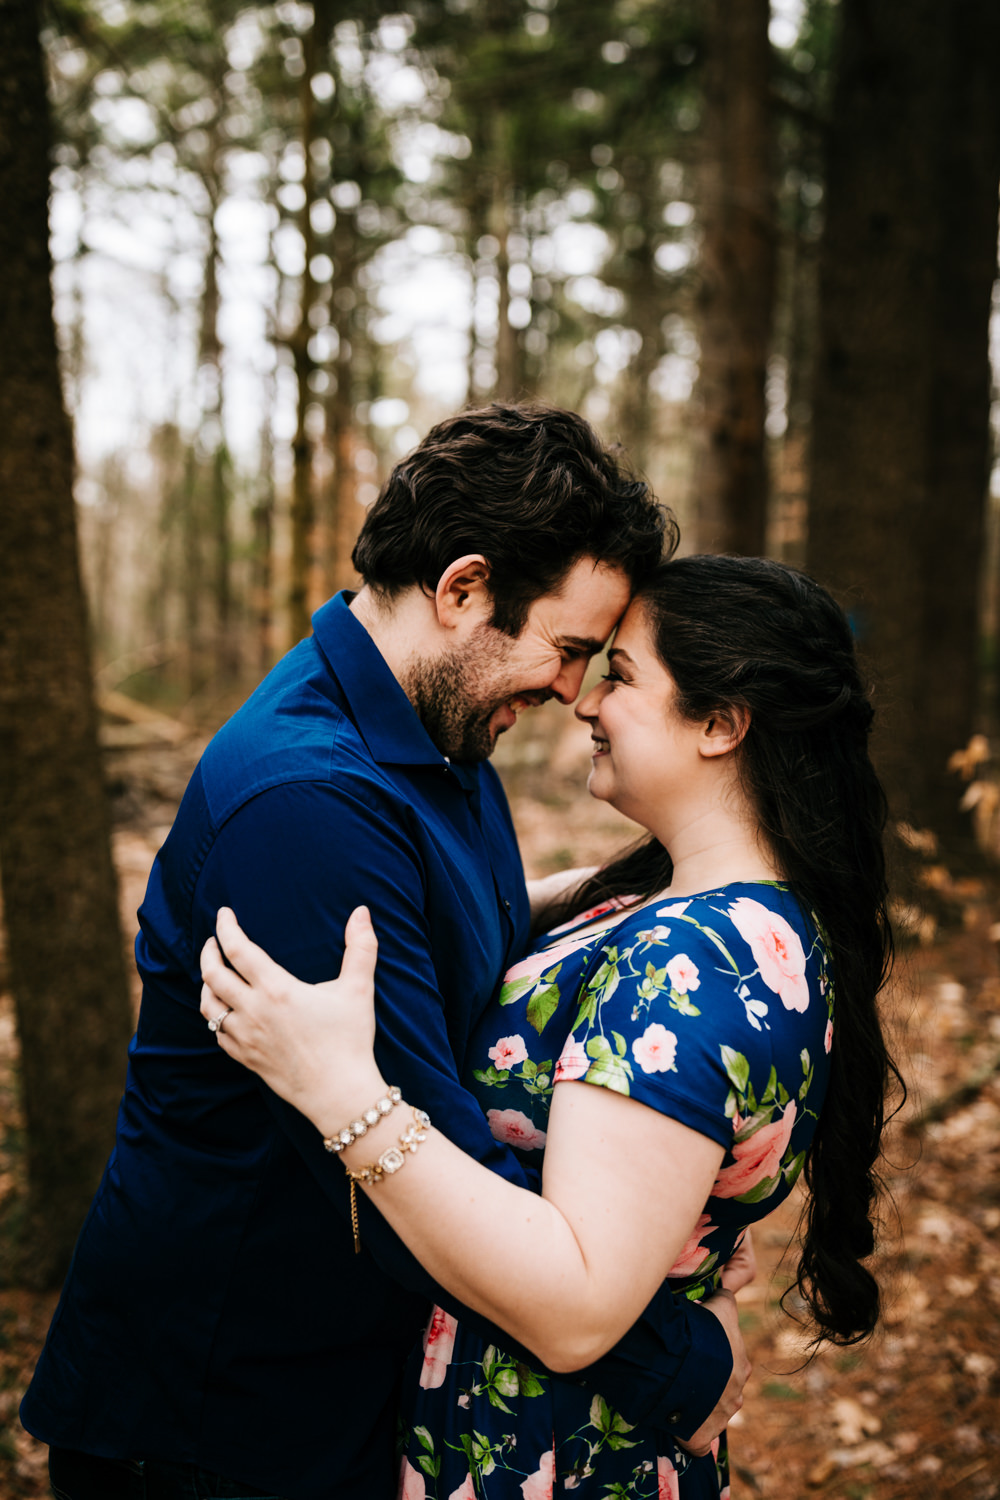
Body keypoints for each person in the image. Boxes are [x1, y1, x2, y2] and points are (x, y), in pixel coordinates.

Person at [22, 406, 749, 1500]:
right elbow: (415, 1167)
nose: (569, 690)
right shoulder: (309, 807)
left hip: (326, 1392)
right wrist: (679, 1359)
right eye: (564, 649)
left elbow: (468, 936)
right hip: (212, 1423)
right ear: (462, 589)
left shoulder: (436, 739)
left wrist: (640, 896)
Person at [199, 554, 900, 1500]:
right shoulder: (694, 910)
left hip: (552, 1452)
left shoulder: (692, 964)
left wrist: (344, 1095)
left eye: (621, 674)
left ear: (722, 724)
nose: (585, 701)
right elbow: (519, 946)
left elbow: (576, 1307)